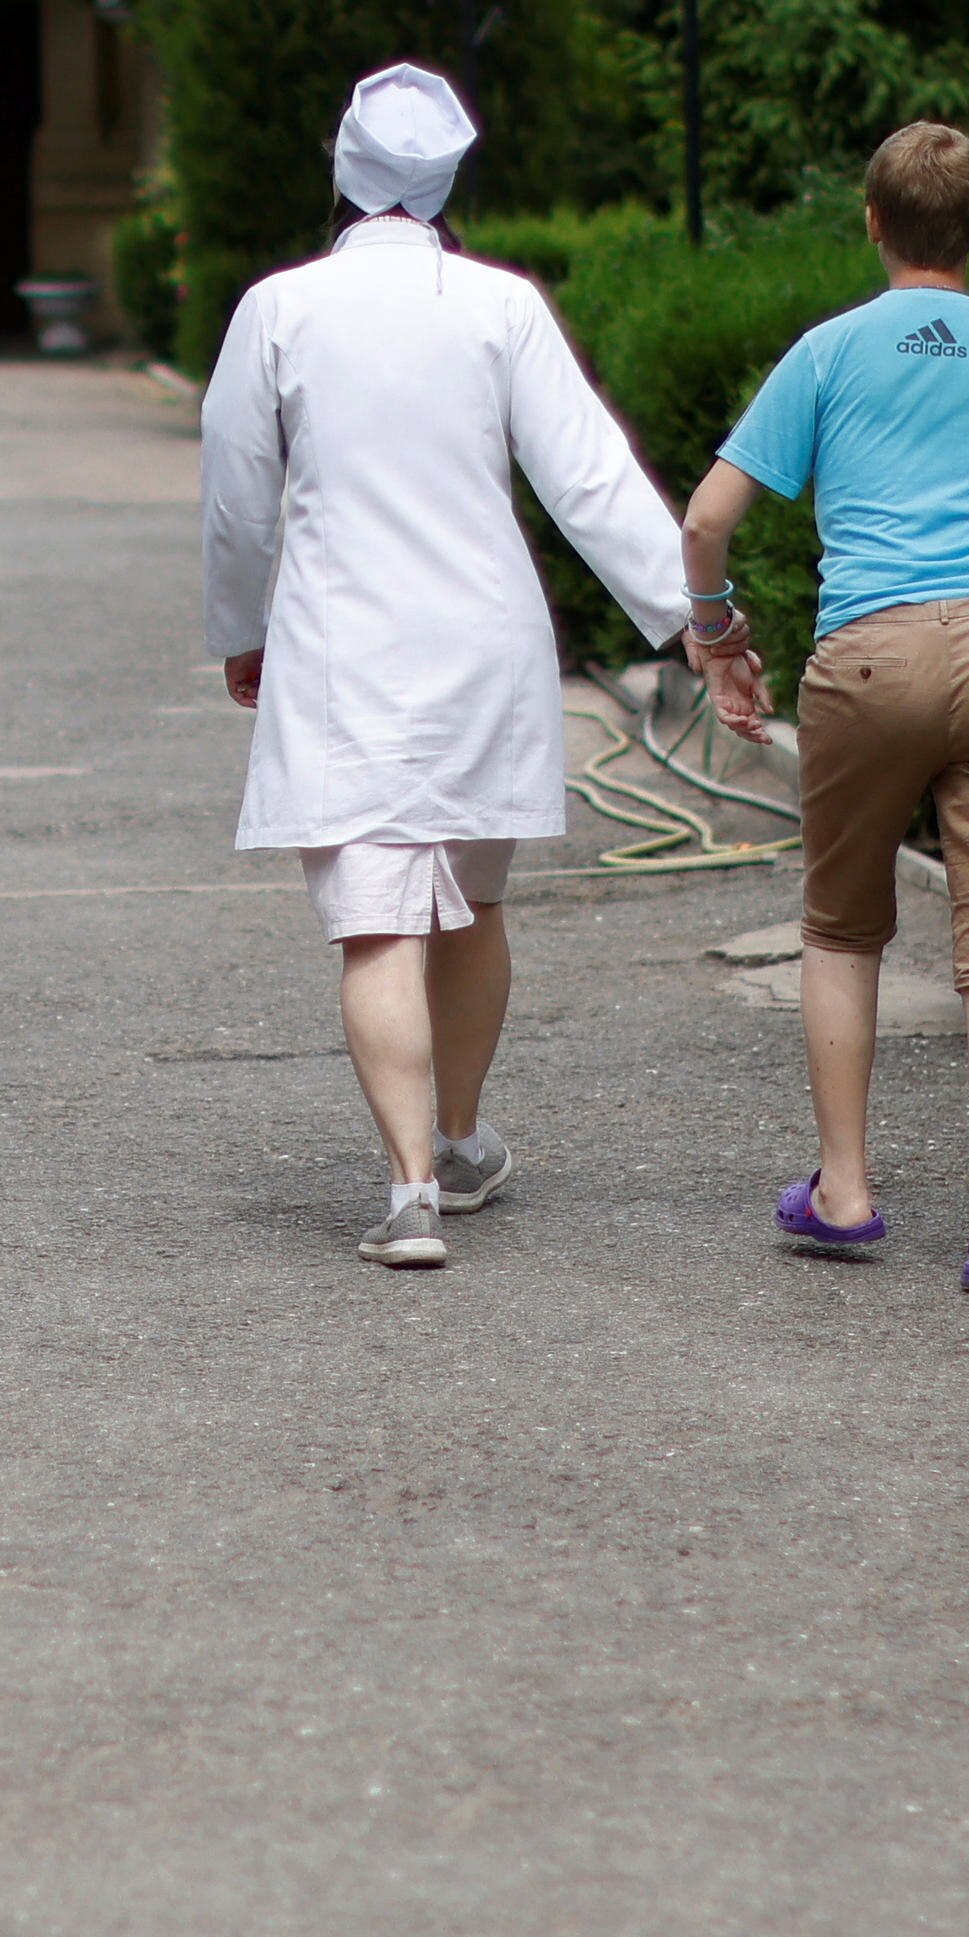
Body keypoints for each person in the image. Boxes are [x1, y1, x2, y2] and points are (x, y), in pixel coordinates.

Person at [201, 66, 692, 1269]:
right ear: (446, 181)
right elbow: (587, 476)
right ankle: (461, 1138)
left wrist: (237, 630)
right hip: (482, 644)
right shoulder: (501, 307)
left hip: (338, 643)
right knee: (471, 906)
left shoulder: (276, 308)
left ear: (340, 172)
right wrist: (694, 616)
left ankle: (409, 1189)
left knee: (376, 926)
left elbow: (234, 499)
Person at [676, 120, 969, 1294]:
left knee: (839, 925)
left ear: (870, 223)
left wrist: (716, 635)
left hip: (864, 660)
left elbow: (706, 521)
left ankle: (845, 1193)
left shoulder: (823, 354)